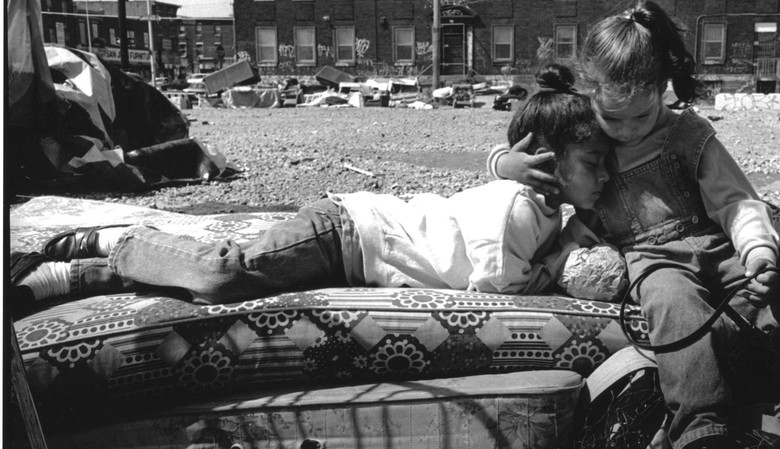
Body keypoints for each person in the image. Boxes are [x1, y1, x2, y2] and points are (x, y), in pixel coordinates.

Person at [488, 0, 780, 449]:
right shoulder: (591, 133)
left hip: (719, 246)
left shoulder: (687, 134)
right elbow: (523, 145)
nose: (628, 130)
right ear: (592, 92)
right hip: (654, 260)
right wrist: (504, 162)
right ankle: (703, 437)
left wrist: (762, 254)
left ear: (662, 89)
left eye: (641, 115)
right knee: (674, 305)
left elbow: (736, 202)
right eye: (615, 117)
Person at [11, 66, 610, 313]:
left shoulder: (527, 201)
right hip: (345, 234)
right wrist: (566, 249)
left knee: (219, 283)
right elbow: (500, 286)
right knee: (226, 276)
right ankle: (119, 241)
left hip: (352, 252)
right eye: (594, 162)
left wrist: (509, 168)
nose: (606, 176)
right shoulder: (517, 211)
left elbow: (497, 172)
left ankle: (87, 274)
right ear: (551, 162)